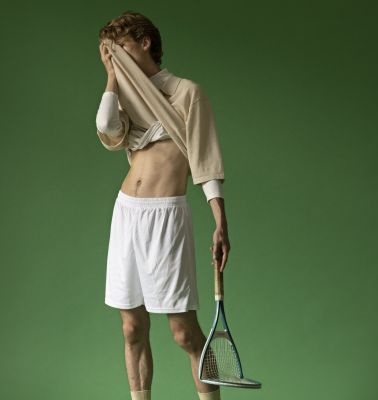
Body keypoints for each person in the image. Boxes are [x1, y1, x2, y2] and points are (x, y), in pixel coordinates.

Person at [96, 11, 230, 400]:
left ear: (145, 42)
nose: (115, 56)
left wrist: (220, 222)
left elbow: (205, 159)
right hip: (127, 214)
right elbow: (106, 127)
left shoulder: (187, 93)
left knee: (183, 333)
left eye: (121, 48)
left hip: (166, 217)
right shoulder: (126, 95)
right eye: (110, 52)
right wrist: (111, 77)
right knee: (131, 328)